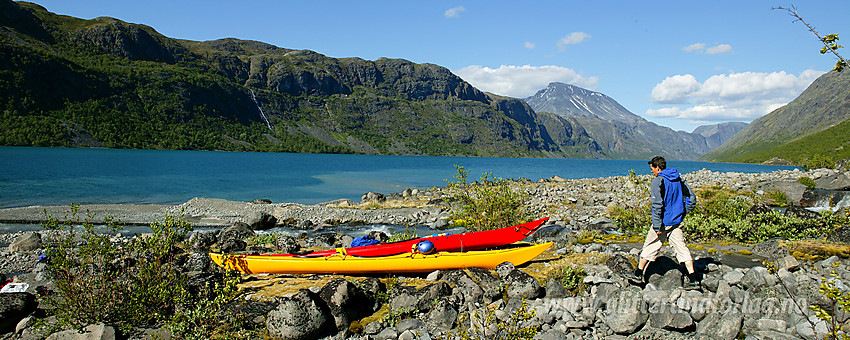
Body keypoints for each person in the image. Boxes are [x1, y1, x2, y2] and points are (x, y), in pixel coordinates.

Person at [627, 156, 699, 289]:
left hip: (663, 222)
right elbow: (692, 197)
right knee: (681, 248)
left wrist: (657, 225)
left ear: (658, 168)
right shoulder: (678, 179)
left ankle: (638, 275)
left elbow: (657, 204)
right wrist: (683, 211)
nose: (651, 171)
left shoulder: (658, 181)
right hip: (676, 221)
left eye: (652, 169)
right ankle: (694, 279)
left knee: (650, 246)